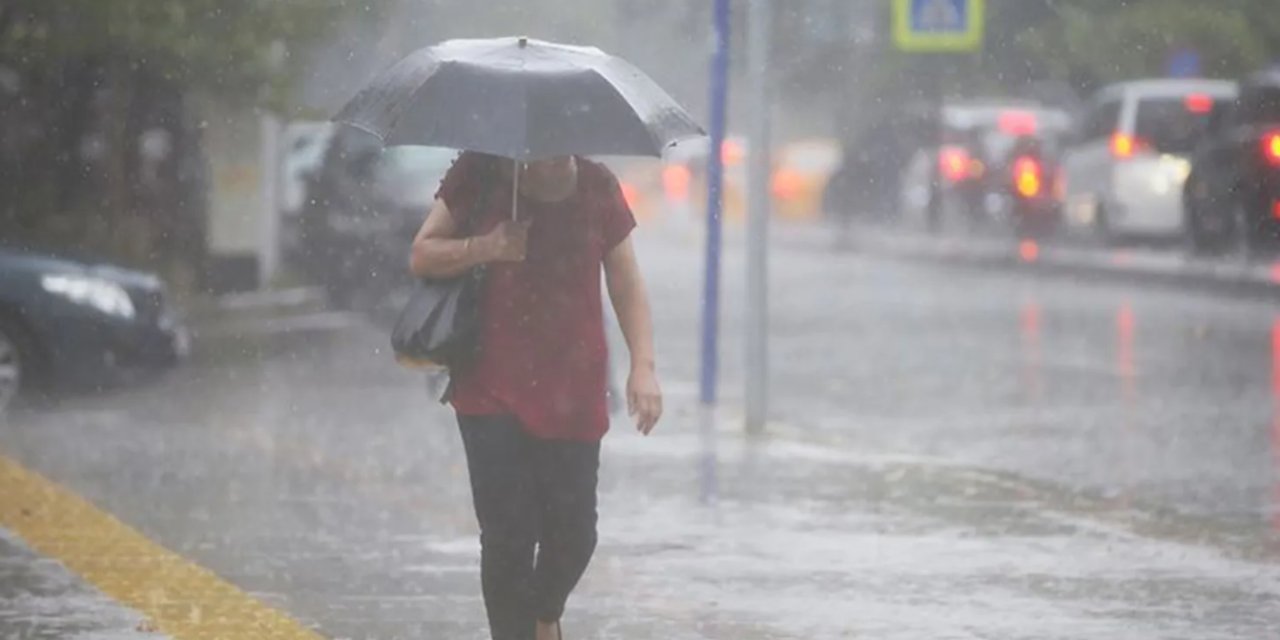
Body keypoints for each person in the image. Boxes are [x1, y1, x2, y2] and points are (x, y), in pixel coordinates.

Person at [408, 151, 663, 640]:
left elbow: (626, 280)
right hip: (489, 384)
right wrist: (485, 246)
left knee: (575, 534)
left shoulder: (597, 186)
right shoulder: (478, 172)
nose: (551, 151)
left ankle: (545, 614)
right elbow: (422, 253)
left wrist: (643, 367)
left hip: (574, 384)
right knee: (508, 535)